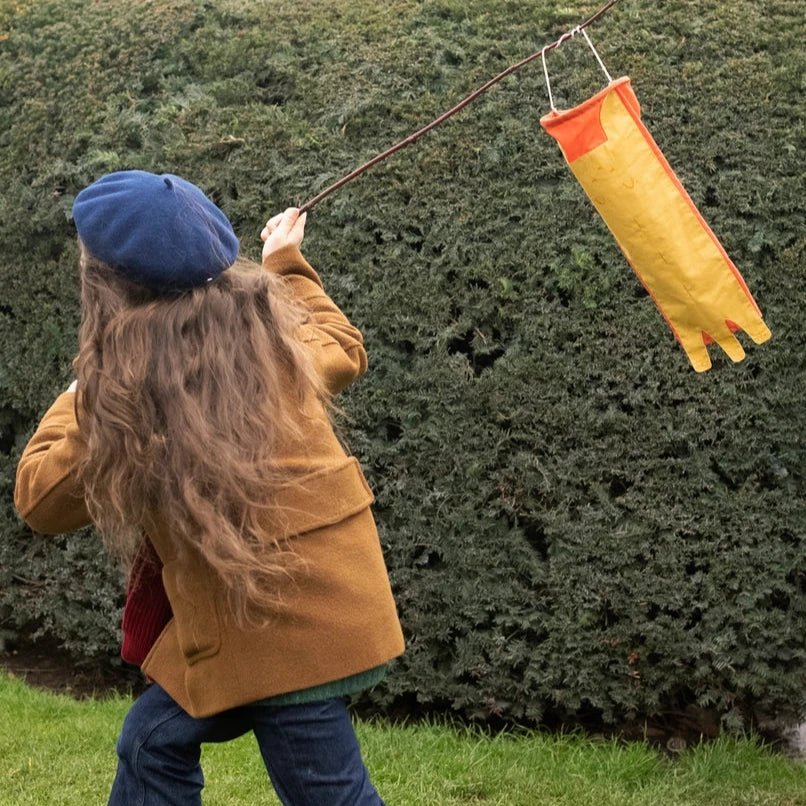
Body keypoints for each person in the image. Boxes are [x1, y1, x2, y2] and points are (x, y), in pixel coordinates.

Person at [14, 170, 405, 805]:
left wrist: (80, 394)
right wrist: (285, 262)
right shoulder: (267, 331)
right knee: (152, 741)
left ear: (109, 285)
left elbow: (39, 498)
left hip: (283, 629)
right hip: (303, 601)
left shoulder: (131, 388)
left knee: (332, 796)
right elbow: (339, 345)